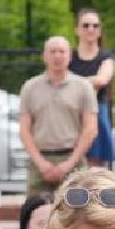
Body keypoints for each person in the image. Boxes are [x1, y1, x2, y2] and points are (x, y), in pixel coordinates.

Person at [20, 36, 98, 196]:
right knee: (34, 208)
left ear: (70, 56)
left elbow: (90, 128)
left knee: (77, 209)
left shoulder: (83, 87)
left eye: (62, 51)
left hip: (73, 158)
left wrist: (69, 164)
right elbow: (24, 130)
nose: (57, 56)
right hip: (40, 160)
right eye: (53, 51)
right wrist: (41, 163)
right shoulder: (30, 87)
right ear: (44, 56)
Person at [69, 8, 115, 170]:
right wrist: (90, 83)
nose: (91, 29)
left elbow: (102, 79)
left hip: (96, 113)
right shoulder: (69, 57)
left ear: (100, 30)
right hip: (70, 113)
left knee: (95, 170)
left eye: (95, 25)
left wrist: (73, 83)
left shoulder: (106, 57)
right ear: (77, 30)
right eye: (86, 25)